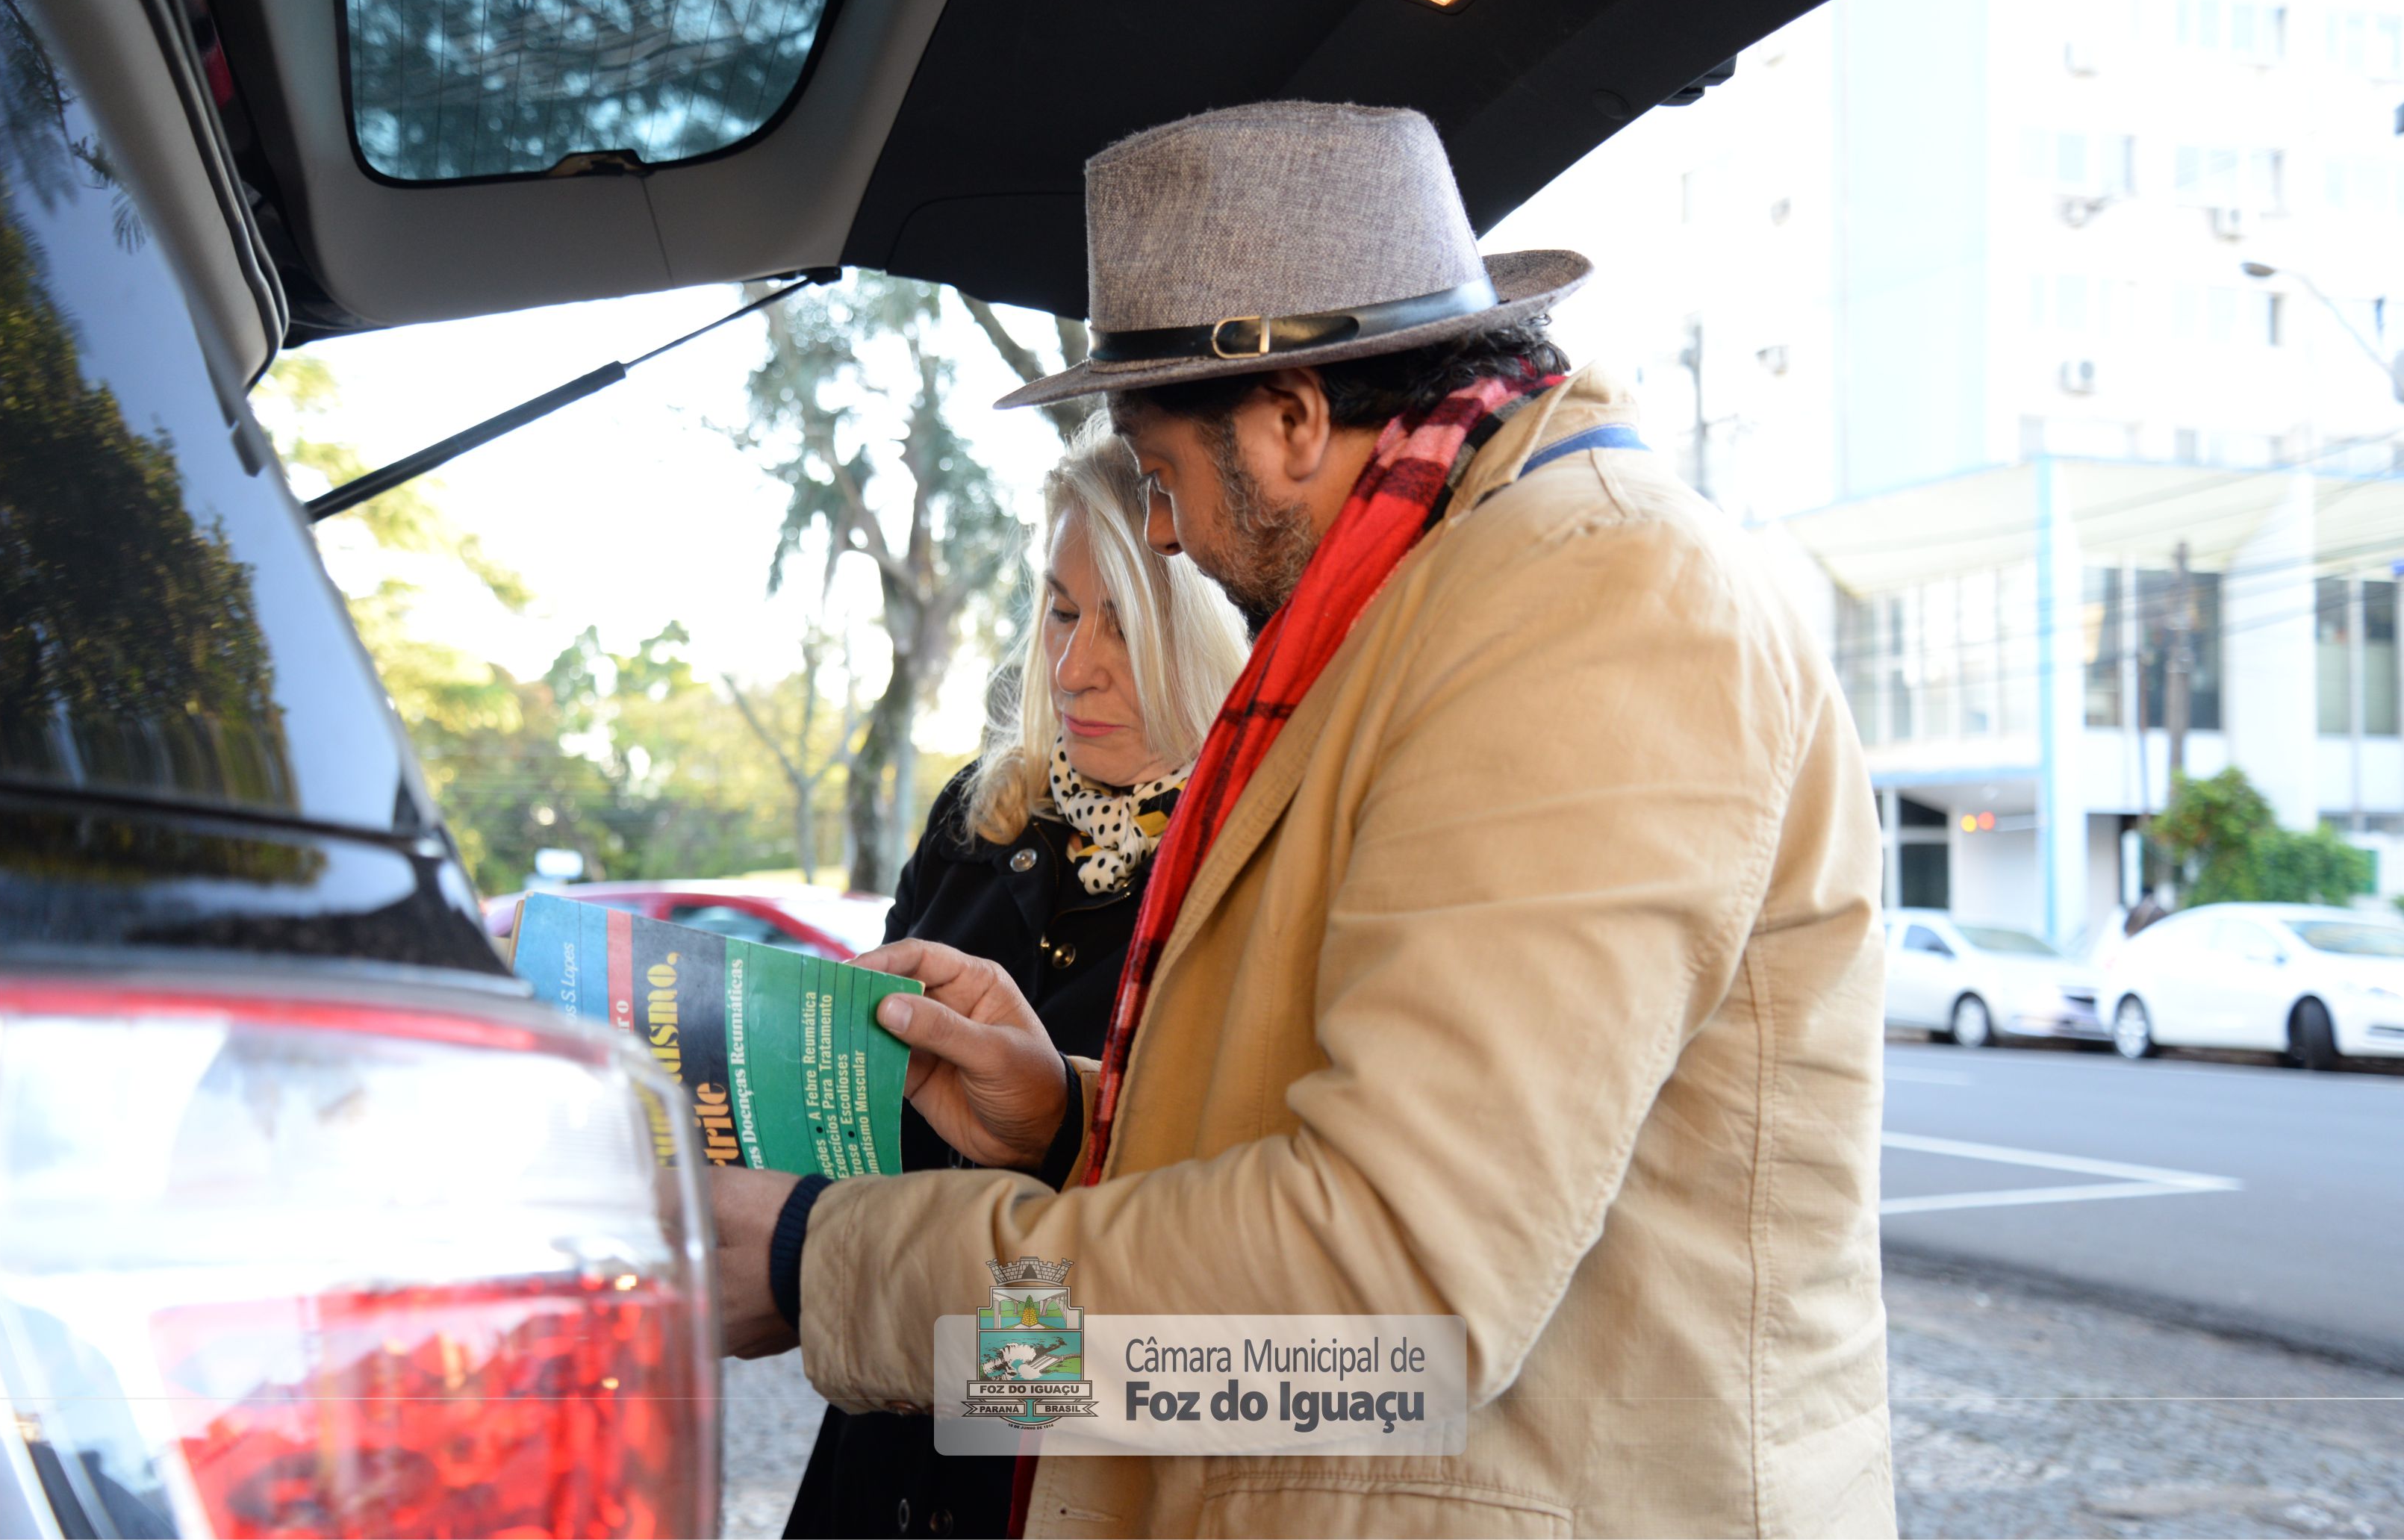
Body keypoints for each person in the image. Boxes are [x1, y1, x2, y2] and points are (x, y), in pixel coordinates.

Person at [717, 101, 1895, 1537]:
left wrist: (816, 1266)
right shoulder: (1447, 597)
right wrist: (1068, 1124)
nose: (1159, 536)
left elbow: (1371, 1327)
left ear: (1286, 419)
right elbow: (1351, 1257)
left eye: (1158, 477)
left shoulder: (1592, 604)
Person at [785, 420, 1246, 1539]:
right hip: (876, 1441)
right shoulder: (974, 815)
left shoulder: (1245, 858)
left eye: (1124, 623)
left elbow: (1234, 1291)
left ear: (1210, 628)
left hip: (1063, 1473)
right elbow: (859, 1116)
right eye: (1059, 607)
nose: (1074, 661)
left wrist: (813, 1276)